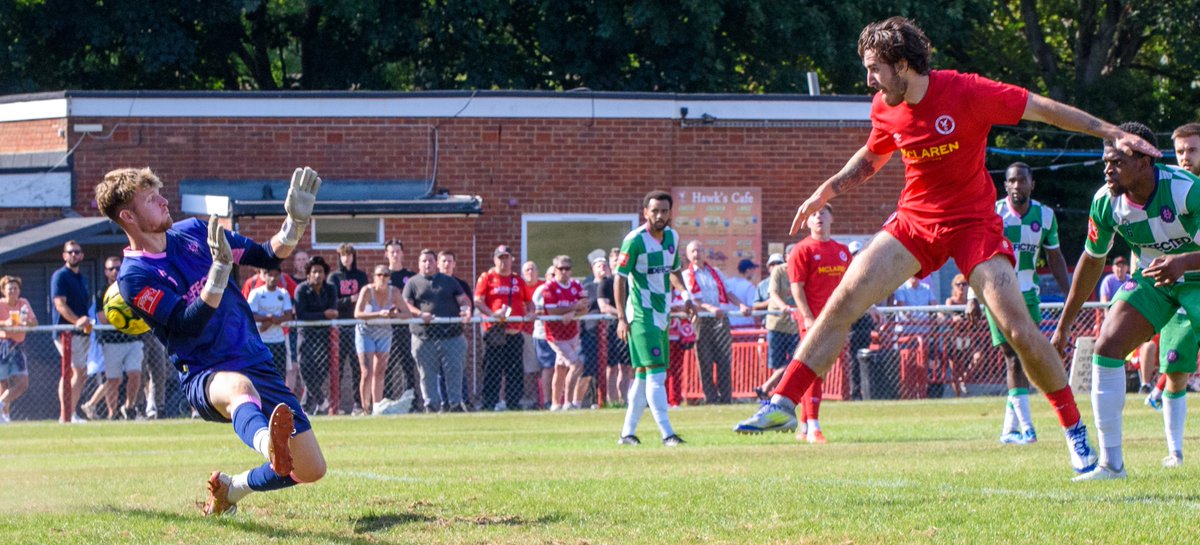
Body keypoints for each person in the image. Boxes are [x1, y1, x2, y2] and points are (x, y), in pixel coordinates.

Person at [731, 16, 1153, 476]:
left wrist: (1111, 132)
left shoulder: (968, 91)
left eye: (875, 68)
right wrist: (826, 190)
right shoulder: (884, 106)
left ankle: (1075, 435)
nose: (869, 79)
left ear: (903, 64)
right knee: (843, 301)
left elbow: (1043, 108)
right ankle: (784, 402)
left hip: (974, 225)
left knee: (1018, 329)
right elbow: (872, 157)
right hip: (914, 223)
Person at [97, 166, 326, 516]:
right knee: (239, 387)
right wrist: (218, 275)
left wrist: (293, 223)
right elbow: (186, 324)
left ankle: (232, 489)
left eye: (159, 192)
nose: (163, 200)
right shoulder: (133, 276)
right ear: (127, 215)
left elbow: (266, 255)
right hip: (205, 373)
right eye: (150, 198)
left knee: (311, 469)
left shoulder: (194, 231)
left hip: (255, 358)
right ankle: (269, 445)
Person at [1053, 122, 1200, 480]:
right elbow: (1091, 261)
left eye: (1117, 160)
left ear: (1145, 161)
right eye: (1106, 160)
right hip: (1156, 280)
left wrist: (1182, 262)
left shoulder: (1185, 190)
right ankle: (1111, 464)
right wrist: (1064, 325)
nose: (1107, 168)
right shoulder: (1106, 202)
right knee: (1107, 346)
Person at [970, 162, 1071, 445]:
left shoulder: (1046, 216)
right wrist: (971, 297)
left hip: (1029, 294)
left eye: (1021, 180)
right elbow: (976, 254)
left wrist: (1071, 294)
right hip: (996, 293)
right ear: (1006, 186)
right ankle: (1028, 429)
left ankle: (1008, 430)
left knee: (1027, 359)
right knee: (1013, 357)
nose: (1017, 186)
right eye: (1011, 181)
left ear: (1031, 184)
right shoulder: (994, 213)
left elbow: (1055, 258)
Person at [616, 190, 695, 446]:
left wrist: (686, 296)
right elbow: (619, 277)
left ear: (670, 213)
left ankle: (627, 434)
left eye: (664, 211)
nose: (659, 215)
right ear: (645, 213)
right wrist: (621, 317)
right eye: (655, 211)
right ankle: (667, 434)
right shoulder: (635, 240)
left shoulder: (672, 237)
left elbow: (673, 271)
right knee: (657, 374)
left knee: (643, 375)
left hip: (662, 315)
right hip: (640, 315)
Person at [1142, 122, 1200, 467]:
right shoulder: (1165, 190)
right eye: (1179, 151)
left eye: (1192, 150)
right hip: (1179, 289)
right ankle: (1175, 452)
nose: (1185, 157)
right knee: (1176, 369)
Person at [784, 205, 850, 443]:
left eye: (823, 212)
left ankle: (803, 425)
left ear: (832, 217)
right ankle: (814, 426)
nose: (818, 217)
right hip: (812, 322)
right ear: (807, 222)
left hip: (835, 322)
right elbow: (796, 288)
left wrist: (869, 305)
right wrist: (808, 316)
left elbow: (852, 284)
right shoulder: (802, 250)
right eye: (813, 214)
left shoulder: (842, 251)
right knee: (812, 371)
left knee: (820, 371)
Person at [403, 249, 472, 413]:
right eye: (424, 261)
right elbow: (406, 304)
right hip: (424, 337)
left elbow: (463, 299)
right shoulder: (412, 283)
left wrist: (467, 310)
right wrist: (420, 314)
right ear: (419, 264)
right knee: (427, 374)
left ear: (436, 263)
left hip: (452, 335)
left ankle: (456, 405)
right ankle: (431, 406)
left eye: (430, 261)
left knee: (455, 371)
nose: (427, 264)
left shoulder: (449, 281)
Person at [682, 240, 751, 404]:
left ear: (705, 253)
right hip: (702, 320)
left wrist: (741, 305)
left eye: (699, 250)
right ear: (688, 255)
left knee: (724, 359)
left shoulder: (716, 272)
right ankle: (711, 398)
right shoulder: (686, 275)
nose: (696, 254)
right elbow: (692, 300)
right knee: (705, 360)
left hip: (720, 319)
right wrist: (710, 308)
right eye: (693, 251)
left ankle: (726, 398)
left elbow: (729, 292)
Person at [476, 245, 532, 412]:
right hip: (495, 332)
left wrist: (531, 313)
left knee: (515, 371)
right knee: (491, 370)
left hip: (514, 333)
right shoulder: (487, 277)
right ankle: (489, 404)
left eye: (506, 257)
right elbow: (478, 300)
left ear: (511, 259)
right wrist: (492, 314)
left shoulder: (517, 280)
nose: (504, 262)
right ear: (495, 260)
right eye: (500, 258)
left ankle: (514, 403)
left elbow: (529, 301)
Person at [91, 256, 145, 420]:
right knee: (113, 380)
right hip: (112, 342)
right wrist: (124, 317)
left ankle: (129, 408)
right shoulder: (102, 293)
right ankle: (112, 413)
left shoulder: (131, 286)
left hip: (133, 339)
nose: (114, 271)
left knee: (135, 374)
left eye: (117, 268)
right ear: (106, 272)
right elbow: (103, 318)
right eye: (111, 269)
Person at [354, 264, 407, 415]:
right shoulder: (367, 291)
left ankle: (377, 407)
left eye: (385, 275)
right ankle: (365, 408)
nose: (382, 278)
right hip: (366, 332)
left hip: (384, 332)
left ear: (389, 278)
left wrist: (393, 315)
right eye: (379, 275)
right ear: (374, 277)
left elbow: (407, 314)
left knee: (380, 370)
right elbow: (357, 313)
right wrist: (379, 314)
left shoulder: (394, 292)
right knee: (366, 371)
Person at [51, 240, 93, 422]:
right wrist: (77, 321)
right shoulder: (60, 276)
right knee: (73, 371)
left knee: (81, 373)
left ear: (82, 255)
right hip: (66, 332)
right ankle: (66, 414)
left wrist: (85, 324)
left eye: (77, 252)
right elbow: (59, 304)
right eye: (70, 252)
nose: (74, 255)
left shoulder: (82, 278)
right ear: (64, 255)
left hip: (82, 333)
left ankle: (71, 413)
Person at [541, 255, 589, 410]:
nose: (564, 272)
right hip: (555, 335)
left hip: (572, 333)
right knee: (576, 365)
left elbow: (585, 307)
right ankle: (568, 402)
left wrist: (573, 314)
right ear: (555, 270)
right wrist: (574, 307)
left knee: (560, 369)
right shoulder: (549, 287)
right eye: (561, 269)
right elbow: (552, 309)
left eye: (567, 269)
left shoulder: (576, 285)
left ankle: (555, 404)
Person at [294, 256, 338, 414]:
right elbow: (301, 314)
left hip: (324, 336)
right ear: (308, 275)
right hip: (306, 335)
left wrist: (324, 315)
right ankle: (321, 401)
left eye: (320, 272)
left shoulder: (331, 289)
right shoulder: (301, 290)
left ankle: (306, 407)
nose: (318, 275)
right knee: (305, 368)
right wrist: (323, 315)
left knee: (320, 372)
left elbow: (333, 312)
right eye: (314, 272)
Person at [753, 252, 798, 401]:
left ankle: (767, 388)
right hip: (776, 323)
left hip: (795, 325)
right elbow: (772, 293)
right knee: (777, 363)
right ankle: (776, 394)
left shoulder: (802, 269)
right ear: (787, 257)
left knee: (795, 360)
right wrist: (783, 306)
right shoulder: (779, 271)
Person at [327, 243, 367, 414]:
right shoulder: (334, 278)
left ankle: (359, 404)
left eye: (349, 255)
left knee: (358, 367)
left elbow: (366, 299)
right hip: (339, 328)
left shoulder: (361, 276)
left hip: (357, 326)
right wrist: (350, 299)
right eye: (343, 255)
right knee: (338, 367)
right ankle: (335, 405)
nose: (346, 258)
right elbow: (332, 302)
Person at [384, 239, 420, 410]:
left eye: (398, 251)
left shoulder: (410, 277)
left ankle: (411, 400)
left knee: (407, 363)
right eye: (392, 251)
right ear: (386, 254)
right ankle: (386, 399)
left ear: (403, 253)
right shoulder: (383, 276)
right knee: (386, 364)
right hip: (386, 328)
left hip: (406, 327)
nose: (395, 255)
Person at [248, 266, 294, 382]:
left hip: (279, 341)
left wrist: (271, 321)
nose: (273, 278)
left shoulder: (283, 293)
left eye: (276, 275)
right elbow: (250, 315)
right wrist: (268, 318)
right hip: (260, 342)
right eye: (270, 275)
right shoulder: (256, 293)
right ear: (265, 276)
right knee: (261, 376)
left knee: (279, 375)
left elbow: (288, 315)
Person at [0, 275, 36, 422]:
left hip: (18, 345)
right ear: (3, 291)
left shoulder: (23, 303)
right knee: (3, 383)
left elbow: (34, 323)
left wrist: (27, 323)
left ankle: (1, 406)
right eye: (10, 289)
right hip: (3, 344)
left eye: (16, 288)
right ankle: (4, 416)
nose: (13, 291)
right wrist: (6, 323)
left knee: (22, 382)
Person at [579, 250, 611, 408]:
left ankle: (607, 400)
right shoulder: (587, 287)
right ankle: (588, 399)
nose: (603, 268)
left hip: (610, 332)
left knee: (610, 367)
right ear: (593, 269)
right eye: (599, 266)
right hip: (591, 332)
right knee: (589, 367)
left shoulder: (613, 285)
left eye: (605, 265)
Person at [522, 261, 554, 408]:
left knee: (553, 367)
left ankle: (551, 399)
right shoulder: (526, 287)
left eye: (533, 268)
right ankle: (534, 399)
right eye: (527, 269)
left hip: (556, 334)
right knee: (532, 368)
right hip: (531, 332)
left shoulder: (547, 286)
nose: (530, 271)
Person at [725, 259, 760, 329]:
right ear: (748, 270)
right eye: (752, 269)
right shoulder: (749, 286)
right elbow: (753, 306)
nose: (753, 272)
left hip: (730, 324)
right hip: (745, 325)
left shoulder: (727, 283)